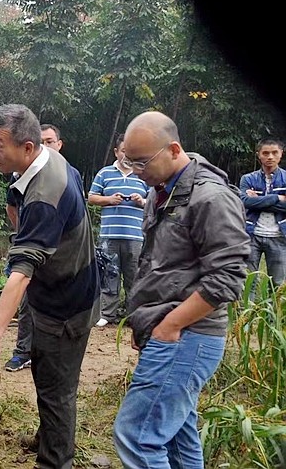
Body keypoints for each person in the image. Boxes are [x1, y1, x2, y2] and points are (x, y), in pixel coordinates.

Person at [113, 111, 249, 467]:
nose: (135, 170)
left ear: (173, 149)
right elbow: (159, 267)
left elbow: (229, 276)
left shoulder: (211, 198)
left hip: (188, 334)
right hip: (167, 331)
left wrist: (169, 324)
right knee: (176, 434)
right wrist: (145, 322)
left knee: (137, 436)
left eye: (142, 162)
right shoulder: (161, 192)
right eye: (129, 160)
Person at [0, 104, 99, 469]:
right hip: (65, 292)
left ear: (27, 147)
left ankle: (55, 459)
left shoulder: (45, 195)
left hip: (65, 306)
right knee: (48, 379)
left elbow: (21, 272)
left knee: (57, 390)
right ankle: (49, 437)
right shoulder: (50, 161)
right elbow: (20, 203)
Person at [4, 123, 64, 372]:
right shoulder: (19, 175)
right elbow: (11, 207)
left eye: (50, 141)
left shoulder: (66, 174)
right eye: (43, 141)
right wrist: (28, 232)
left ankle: (51, 354)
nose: (47, 146)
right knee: (26, 299)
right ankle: (23, 351)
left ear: (59, 145)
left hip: (60, 255)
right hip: (31, 249)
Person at [88, 133, 148, 327]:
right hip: (109, 235)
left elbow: (154, 203)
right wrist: (109, 200)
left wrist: (142, 202)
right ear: (116, 152)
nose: (128, 156)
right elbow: (91, 197)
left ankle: (133, 315)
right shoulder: (104, 173)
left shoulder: (143, 175)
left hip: (135, 236)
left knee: (134, 275)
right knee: (109, 274)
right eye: (124, 151)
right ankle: (107, 313)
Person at [239, 138, 286, 289]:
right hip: (252, 235)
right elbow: (244, 202)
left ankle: (273, 313)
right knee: (247, 282)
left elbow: (252, 203)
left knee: (278, 284)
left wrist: (258, 201)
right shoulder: (247, 179)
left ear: (281, 154)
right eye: (265, 153)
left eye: (274, 152)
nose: (270, 157)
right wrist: (277, 198)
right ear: (258, 155)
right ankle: (246, 312)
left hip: (279, 237)